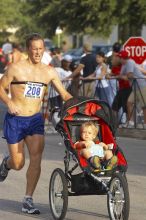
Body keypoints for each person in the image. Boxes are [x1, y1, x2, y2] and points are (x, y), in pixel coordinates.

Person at [0, 33, 72, 214]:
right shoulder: (15, 68)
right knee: (18, 163)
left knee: (36, 158)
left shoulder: (48, 71)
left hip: (35, 120)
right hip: (16, 119)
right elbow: (1, 87)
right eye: (35, 48)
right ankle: (6, 164)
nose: (38, 52)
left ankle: (28, 199)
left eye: (41, 48)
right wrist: (9, 103)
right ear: (28, 49)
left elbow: (64, 95)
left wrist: (81, 105)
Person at [117, 50, 146, 127]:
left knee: (144, 105)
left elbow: (129, 76)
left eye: (120, 58)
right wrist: (120, 76)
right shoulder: (124, 65)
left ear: (123, 58)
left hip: (141, 85)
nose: (119, 59)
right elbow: (121, 76)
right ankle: (131, 122)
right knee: (129, 102)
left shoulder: (130, 62)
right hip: (135, 87)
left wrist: (121, 76)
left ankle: (145, 124)